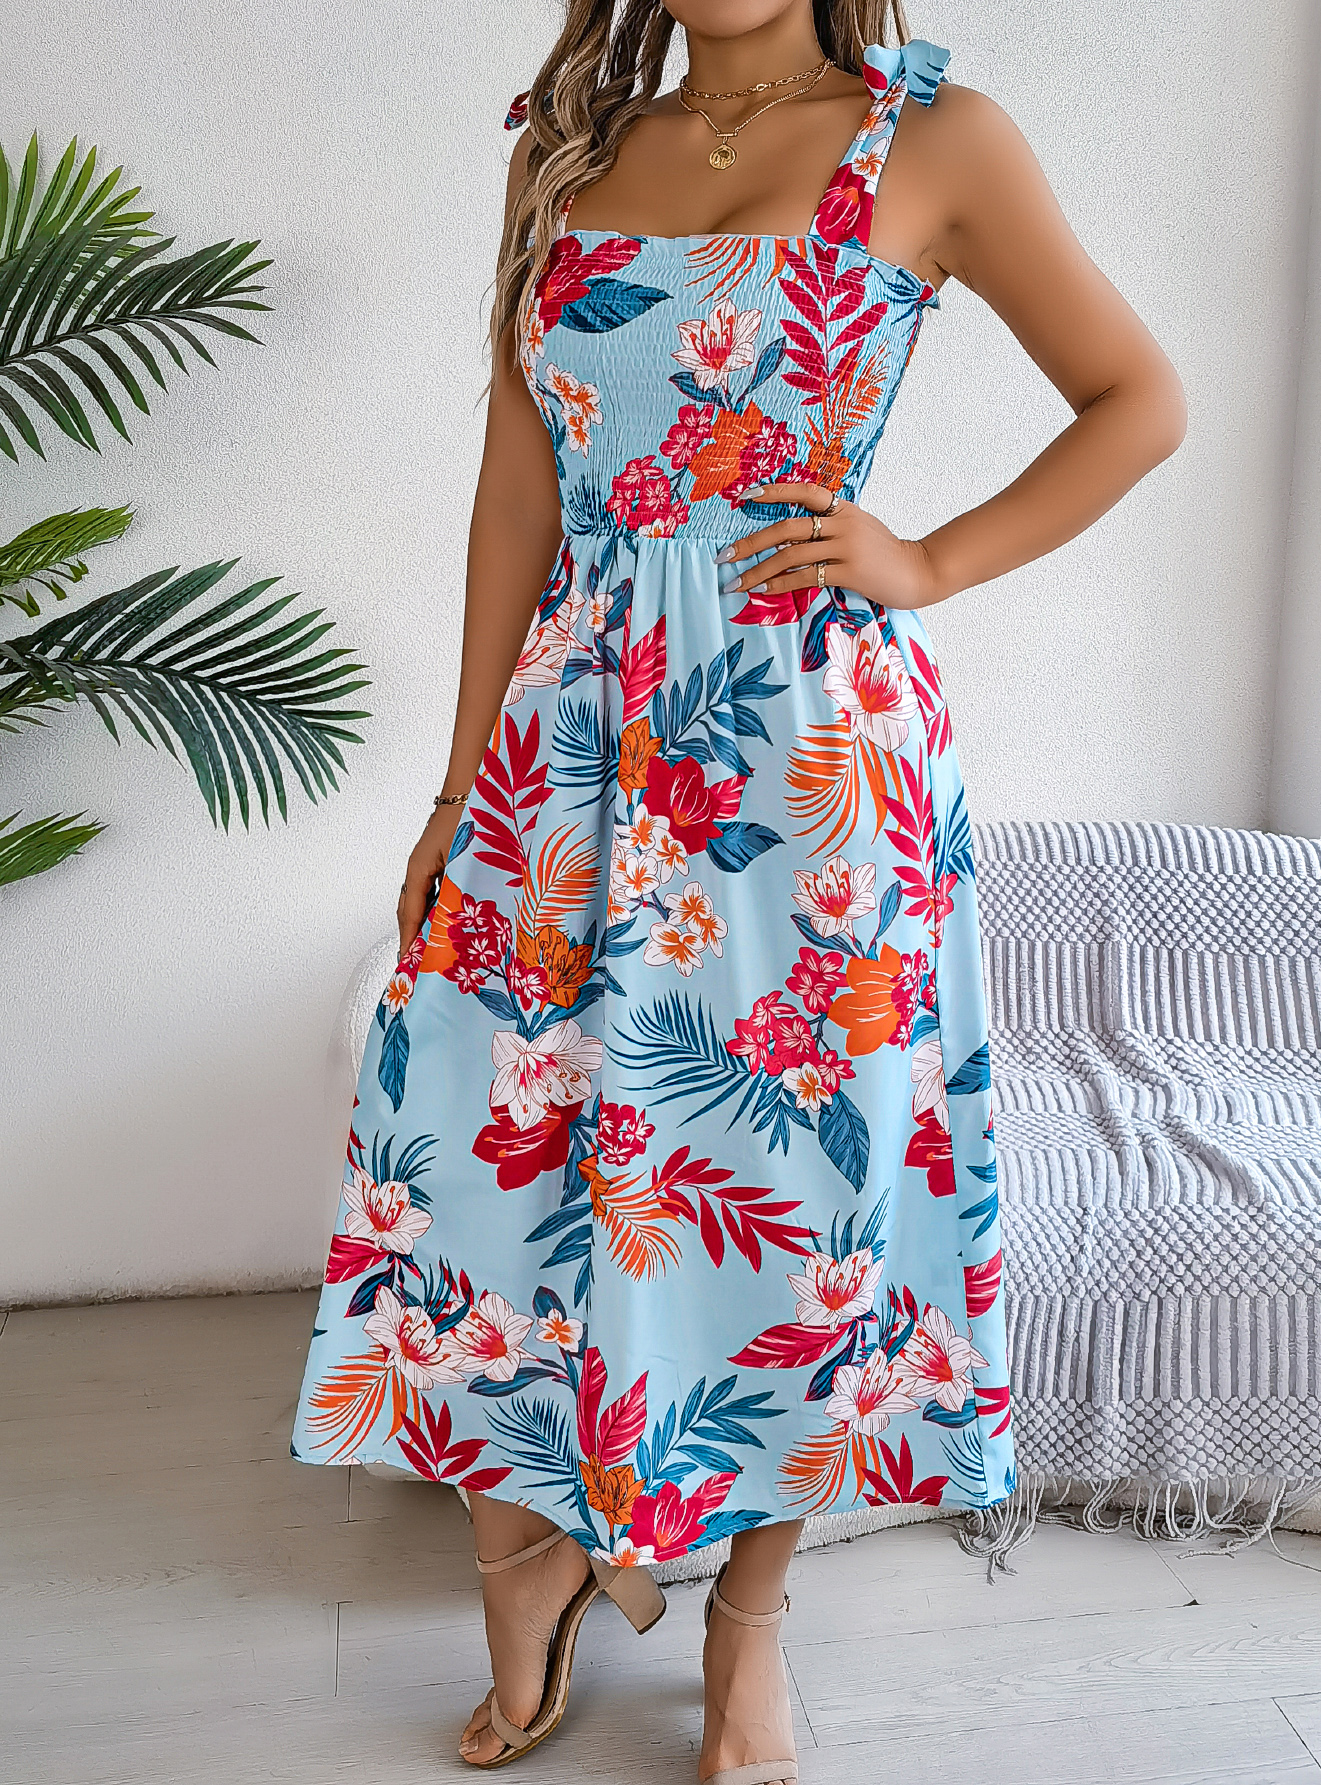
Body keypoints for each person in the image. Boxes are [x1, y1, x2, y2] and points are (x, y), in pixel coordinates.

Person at [291, 3, 1185, 1779]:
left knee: (792, 1186)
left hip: (808, 761)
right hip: (570, 741)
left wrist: (929, 557)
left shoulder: (936, 140)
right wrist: (460, 783)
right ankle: (530, 1561)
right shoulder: (566, 142)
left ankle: (748, 1623)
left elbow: (1140, 401)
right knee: (473, 1147)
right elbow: (516, 484)